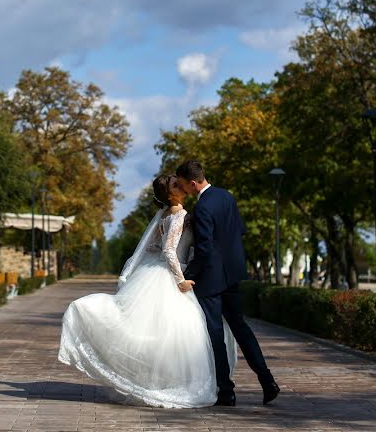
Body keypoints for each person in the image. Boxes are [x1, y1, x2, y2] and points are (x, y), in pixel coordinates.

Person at [58, 174, 235, 408]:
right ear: (172, 193)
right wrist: (181, 279)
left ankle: (153, 382)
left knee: (160, 333)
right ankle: (167, 384)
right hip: (171, 277)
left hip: (156, 272)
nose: (181, 185)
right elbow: (169, 251)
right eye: (176, 184)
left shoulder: (165, 216)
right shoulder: (179, 215)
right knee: (176, 335)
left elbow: (154, 247)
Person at [175, 160, 280, 407]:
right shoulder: (226, 196)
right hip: (233, 273)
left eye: (183, 185)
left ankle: (226, 391)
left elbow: (203, 248)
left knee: (215, 334)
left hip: (211, 278)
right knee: (241, 328)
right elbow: (239, 230)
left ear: (192, 183)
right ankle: (268, 381)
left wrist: (187, 275)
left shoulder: (201, 209)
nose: (183, 190)